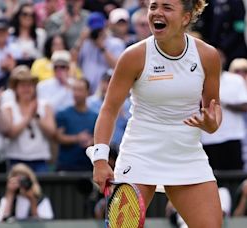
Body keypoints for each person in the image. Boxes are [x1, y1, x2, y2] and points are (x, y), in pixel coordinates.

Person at [86, 0, 223, 227]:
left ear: (186, 18)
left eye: (167, 8)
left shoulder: (207, 56)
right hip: (139, 153)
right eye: (153, 7)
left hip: (186, 154)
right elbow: (109, 109)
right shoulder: (133, 56)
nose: (157, 13)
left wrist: (210, 124)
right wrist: (100, 159)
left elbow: (212, 111)